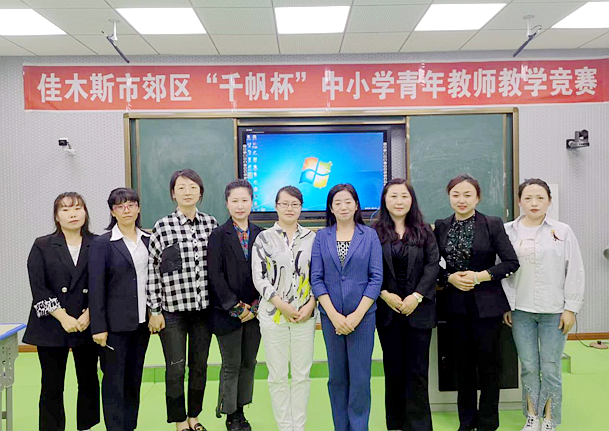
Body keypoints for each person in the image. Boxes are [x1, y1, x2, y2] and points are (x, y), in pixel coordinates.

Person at [433, 174, 520, 431]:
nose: (461, 200)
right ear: (449, 197)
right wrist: (449, 278)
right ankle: (466, 421)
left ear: (478, 198)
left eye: (467, 195)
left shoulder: (492, 224)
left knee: (489, 367)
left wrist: (480, 276)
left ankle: (488, 422)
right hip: (455, 306)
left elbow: (511, 262)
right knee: (462, 367)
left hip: (488, 307)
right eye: (456, 195)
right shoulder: (441, 226)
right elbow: (431, 265)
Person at [502, 179, 585, 431]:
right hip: (520, 310)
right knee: (528, 367)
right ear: (519, 201)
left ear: (549, 201)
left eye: (540, 198)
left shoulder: (562, 231)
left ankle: (549, 419)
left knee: (550, 368)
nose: (534, 203)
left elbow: (575, 270)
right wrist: (506, 305)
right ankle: (532, 416)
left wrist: (571, 308)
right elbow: (502, 270)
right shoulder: (507, 231)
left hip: (554, 311)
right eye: (528, 198)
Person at [147, 169, 218, 431]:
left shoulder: (211, 224)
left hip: (203, 311)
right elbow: (153, 271)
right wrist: (155, 310)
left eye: (192, 187)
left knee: (199, 366)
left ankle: (194, 417)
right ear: (173, 193)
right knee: (176, 368)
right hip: (173, 312)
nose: (187, 192)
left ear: (200, 192)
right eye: (181, 187)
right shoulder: (162, 226)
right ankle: (179, 421)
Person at [22, 192, 100, 431]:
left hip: (87, 323)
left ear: (85, 213)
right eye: (65, 209)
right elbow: (38, 287)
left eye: (77, 208)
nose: (72, 214)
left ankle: (86, 427)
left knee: (89, 381)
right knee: (52, 385)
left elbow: (105, 283)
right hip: (52, 324)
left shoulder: (99, 243)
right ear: (57, 216)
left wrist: (91, 314)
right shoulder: (42, 245)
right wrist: (62, 316)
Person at [311, 183, 383, 431]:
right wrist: (333, 315)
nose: (343, 206)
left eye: (348, 201)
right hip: (331, 319)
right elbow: (316, 279)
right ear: (331, 208)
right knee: (337, 378)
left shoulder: (369, 235)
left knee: (360, 378)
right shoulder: (321, 237)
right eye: (337, 202)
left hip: (363, 318)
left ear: (356, 205)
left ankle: (359, 427)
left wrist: (356, 315)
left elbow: (376, 278)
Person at [373, 179, 439, 431]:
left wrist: (417, 296)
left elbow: (432, 265)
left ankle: (420, 426)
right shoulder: (373, 232)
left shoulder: (424, 231)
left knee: (418, 372)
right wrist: (384, 294)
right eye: (393, 196)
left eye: (404, 196)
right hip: (387, 312)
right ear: (385, 200)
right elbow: (368, 267)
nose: (399, 201)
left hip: (418, 311)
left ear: (412, 200)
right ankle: (396, 425)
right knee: (393, 371)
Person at [251, 186, 316, 431]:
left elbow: (319, 275)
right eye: (285, 204)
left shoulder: (313, 238)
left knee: (301, 375)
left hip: (305, 316)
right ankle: (285, 427)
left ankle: (299, 427)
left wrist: (311, 304)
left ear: (301, 207)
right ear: (276, 206)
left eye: (295, 204)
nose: (290, 208)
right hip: (273, 316)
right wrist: (281, 305)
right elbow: (259, 278)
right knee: (277, 376)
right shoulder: (263, 238)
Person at [89, 187, 150, 431]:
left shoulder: (148, 240)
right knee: (114, 382)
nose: (126, 210)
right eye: (120, 206)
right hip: (114, 327)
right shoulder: (102, 244)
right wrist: (99, 327)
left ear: (138, 208)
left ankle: (129, 426)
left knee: (134, 380)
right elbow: (96, 287)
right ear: (113, 212)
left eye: (131, 205)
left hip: (142, 324)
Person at [207, 180, 263, 431]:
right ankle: (230, 413)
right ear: (227, 204)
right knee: (232, 365)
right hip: (227, 313)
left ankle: (242, 409)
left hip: (256, 313)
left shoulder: (262, 234)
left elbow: (268, 273)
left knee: (249, 363)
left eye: (244, 200)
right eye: (234, 201)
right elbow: (215, 275)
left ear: (252, 202)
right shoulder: (218, 235)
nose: (240, 206)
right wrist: (237, 307)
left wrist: (256, 306)